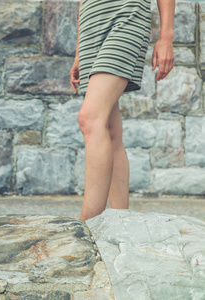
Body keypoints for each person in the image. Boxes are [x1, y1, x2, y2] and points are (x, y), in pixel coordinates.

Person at [69, 0, 175, 220]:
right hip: (92, 23)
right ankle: (121, 220)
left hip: (127, 16)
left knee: (89, 118)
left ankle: (87, 224)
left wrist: (166, 36)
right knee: (110, 130)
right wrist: (79, 51)